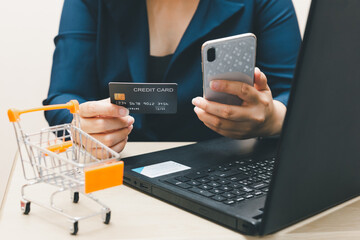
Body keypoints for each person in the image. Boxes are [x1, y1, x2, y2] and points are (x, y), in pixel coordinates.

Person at [43, 0, 301, 154]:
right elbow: (62, 97)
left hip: (225, 174)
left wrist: (272, 119)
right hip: (118, 173)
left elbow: (301, 97)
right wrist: (81, 126)